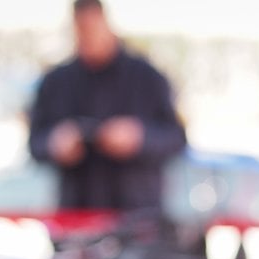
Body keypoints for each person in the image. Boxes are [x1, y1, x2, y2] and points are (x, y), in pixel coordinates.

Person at [27, 0, 187, 216]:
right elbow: (34, 143)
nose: (88, 37)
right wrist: (54, 143)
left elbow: (177, 138)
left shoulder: (148, 77)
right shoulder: (56, 81)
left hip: (138, 221)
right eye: (82, 30)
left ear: (107, 23)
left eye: (93, 29)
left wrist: (140, 138)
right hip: (76, 219)